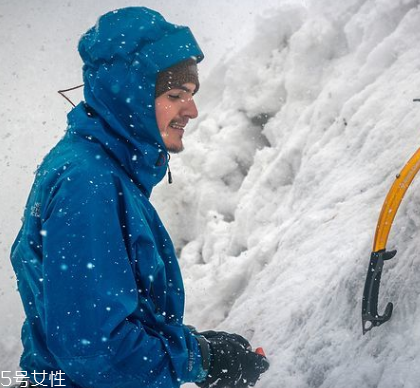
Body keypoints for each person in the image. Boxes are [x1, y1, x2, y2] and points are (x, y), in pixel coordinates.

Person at [10, 7, 269, 388]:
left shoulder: (96, 167)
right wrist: (201, 360)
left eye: (192, 94)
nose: (192, 110)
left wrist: (192, 346)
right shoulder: (89, 184)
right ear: (127, 93)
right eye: (175, 94)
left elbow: (106, 320)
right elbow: (98, 352)